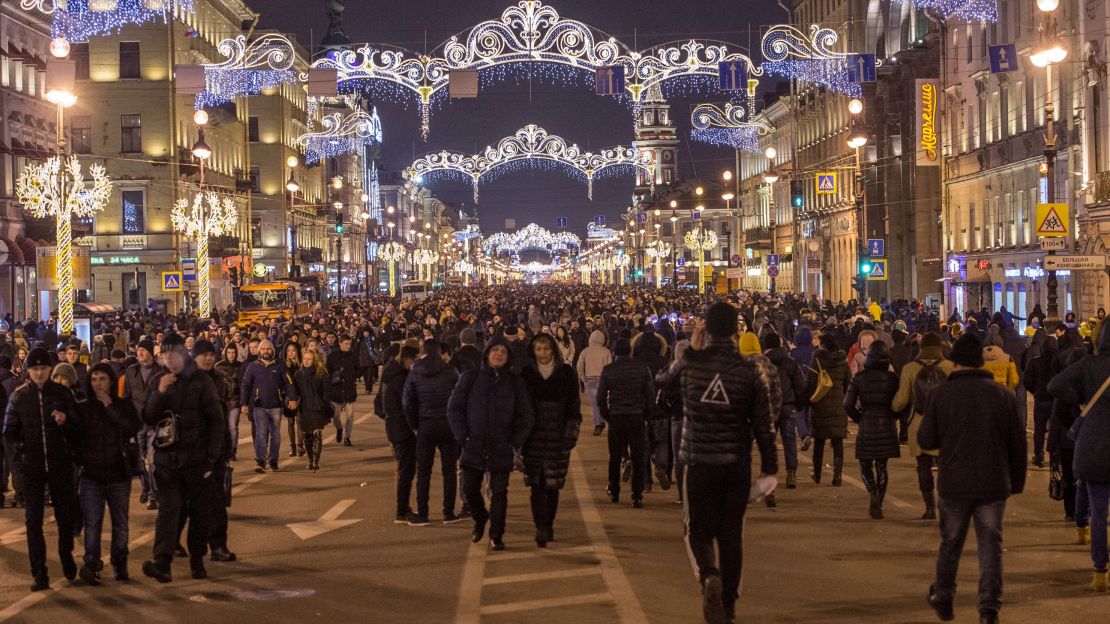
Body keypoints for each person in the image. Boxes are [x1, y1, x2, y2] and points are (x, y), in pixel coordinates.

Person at [680, 303, 777, 624]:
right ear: (737, 331)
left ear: (704, 329)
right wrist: (770, 467)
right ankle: (729, 603)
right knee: (731, 535)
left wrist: (693, 353)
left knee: (699, 531)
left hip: (700, 462)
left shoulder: (693, 367)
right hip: (735, 463)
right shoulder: (749, 370)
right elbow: (764, 424)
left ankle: (709, 576)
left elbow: (666, 386)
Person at [919, 333, 1026, 624]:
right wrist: (1015, 482)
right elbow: (1017, 444)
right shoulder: (1001, 395)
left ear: (954, 362)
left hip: (954, 482)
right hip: (993, 482)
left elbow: (926, 438)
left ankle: (943, 596)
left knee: (950, 543)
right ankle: (988, 609)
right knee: (991, 547)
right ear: (980, 362)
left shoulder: (941, 394)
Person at [141, 334, 227, 583]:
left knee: (199, 513)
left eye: (173, 354)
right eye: (164, 355)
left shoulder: (200, 381)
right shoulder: (159, 380)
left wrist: (212, 458)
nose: (169, 358)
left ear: (182, 354)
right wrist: (159, 392)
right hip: (168, 462)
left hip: (197, 460)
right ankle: (162, 563)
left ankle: (197, 559)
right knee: (168, 512)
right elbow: (147, 417)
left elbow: (215, 420)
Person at [3, 347, 81, 591]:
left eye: (43, 368)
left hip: (60, 465)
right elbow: (9, 432)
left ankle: (66, 555)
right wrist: (21, 460)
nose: (39, 373)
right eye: (35, 369)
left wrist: (66, 421)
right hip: (32, 468)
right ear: (29, 370)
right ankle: (39, 572)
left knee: (65, 518)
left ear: (50, 369)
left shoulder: (61, 394)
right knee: (33, 521)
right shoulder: (19, 397)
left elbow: (78, 426)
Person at [447, 339, 534, 550]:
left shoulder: (514, 382)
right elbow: (454, 408)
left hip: (501, 446)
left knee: (499, 492)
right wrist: (463, 436)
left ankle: (497, 534)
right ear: (486, 353)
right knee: (470, 489)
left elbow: (527, 415)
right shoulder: (471, 377)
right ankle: (480, 518)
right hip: (473, 444)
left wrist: (515, 442)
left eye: (503, 351)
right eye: (495, 350)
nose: (498, 354)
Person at [1048, 321, 1110, 592]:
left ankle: (1100, 572)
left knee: (1098, 511)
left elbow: (1055, 385)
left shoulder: (1088, 365)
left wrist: (1081, 400)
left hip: (1093, 446)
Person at [73, 364, 141, 584]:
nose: (98, 384)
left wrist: (111, 407)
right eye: (94, 379)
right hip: (92, 476)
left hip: (118, 475)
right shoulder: (83, 409)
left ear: (111, 382)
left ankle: (119, 564)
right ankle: (91, 564)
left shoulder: (123, 405)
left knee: (120, 523)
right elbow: (74, 439)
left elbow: (132, 428)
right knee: (92, 524)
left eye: (103, 379)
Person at [520, 334, 581, 547]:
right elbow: (520, 407)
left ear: (553, 350)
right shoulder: (527, 374)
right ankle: (541, 526)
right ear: (533, 351)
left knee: (552, 485)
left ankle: (549, 523)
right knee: (536, 484)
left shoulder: (566, 373)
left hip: (558, 436)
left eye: (546, 349)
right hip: (533, 438)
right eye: (539, 349)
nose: (543, 353)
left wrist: (571, 432)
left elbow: (574, 407)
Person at [892, 332, 954, 520]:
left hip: (919, 423)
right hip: (945, 426)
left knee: (923, 466)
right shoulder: (950, 367)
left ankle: (929, 507)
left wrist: (891, 407)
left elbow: (901, 401)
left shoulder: (910, 368)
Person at [403, 339, 461, 526]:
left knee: (424, 471)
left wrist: (414, 424)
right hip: (447, 424)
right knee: (449, 470)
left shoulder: (415, 370)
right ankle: (449, 512)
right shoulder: (450, 370)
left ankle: (423, 513)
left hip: (425, 424)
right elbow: (459, 397)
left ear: (423, 350)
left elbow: (408, 401)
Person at [843, 342, 900, 519]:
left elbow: (847, 404)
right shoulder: (892, 379)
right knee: (882, 466)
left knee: (865, 464)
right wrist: (894, 417)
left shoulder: (859, 378)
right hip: (887, 425)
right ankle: (879, 502)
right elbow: (903, 402)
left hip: (866, 423)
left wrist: (859, 419)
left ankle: (873, 493)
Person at [191, 340, 236, 564]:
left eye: (211, 354)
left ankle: (218, 546)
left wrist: (225, 449)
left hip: (215, 451)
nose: (208, 358)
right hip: (191, 452)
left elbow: (222, 416)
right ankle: (180, 547)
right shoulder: (186, 380)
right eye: (203, 355)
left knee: (217, 503)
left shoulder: (218, 379)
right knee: (187, 505)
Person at [597, 338, 655, 508]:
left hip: (616, 417)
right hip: (636, 416)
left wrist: (606, 415)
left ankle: (614, 491)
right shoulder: (642, 368)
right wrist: (646, 414)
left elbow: (600, 397)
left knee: (614, 457)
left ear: (614, 352)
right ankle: (637, 495)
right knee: (638, 457)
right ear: (630, 351)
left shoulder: (609, 370)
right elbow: (650, 395)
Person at [122, 338, 163, 509]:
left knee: (153, 460)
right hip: (137, 421)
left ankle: (154, 494)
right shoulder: (132, 371)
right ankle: (146, 487)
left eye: (143, 350)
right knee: (140, 459)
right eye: (138, 350)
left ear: (150, 352)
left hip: (154, 421)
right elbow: (126, 396)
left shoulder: (160, 371)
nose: (140, 353)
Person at [380, 345, 419, 522]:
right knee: (406, 470)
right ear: (407, 360)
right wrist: (414, 426)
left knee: (405, 470)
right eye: (414, 360)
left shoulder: (391, 376)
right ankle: (402, 511)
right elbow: (407, 405)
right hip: (402, 428)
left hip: (394, 426)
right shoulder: (400, 379)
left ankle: (403, 508)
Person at [806, 334, 850, 486]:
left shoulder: (817, 360)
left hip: (820, 404)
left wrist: (808, 401)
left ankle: (817, 475)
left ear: (823, 345)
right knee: (837, 442)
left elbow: (810, 383)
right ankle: (837, 476)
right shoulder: (842, 362)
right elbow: (848, 383)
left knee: (819, 442)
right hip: (839, 404)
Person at [240, 339, 287, 473]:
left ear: (272, 350)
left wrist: (293, 398)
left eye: (268, 349)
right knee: (261, 434)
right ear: (259, 351)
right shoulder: (253, 366)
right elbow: (246, 385)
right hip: (259, 405)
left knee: (275, 435)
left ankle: (273, 460)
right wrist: (244, 403)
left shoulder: (280, 365)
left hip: (276, 405)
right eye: (263, 349)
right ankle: (260, 461)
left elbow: (288, 382)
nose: (265, 351)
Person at [291, 348, 331, 472]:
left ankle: (315, 461)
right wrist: (291, 400)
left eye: (309, 359)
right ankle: (309, 459)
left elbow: (326, 391)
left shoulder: (321, 373)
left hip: (318, 407)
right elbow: (294, 391)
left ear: (314, 360)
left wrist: (325, 403)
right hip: (304, 408)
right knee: (307, 435)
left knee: (317, 434)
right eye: (305, 359)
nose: (307, 361)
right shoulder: (298, 374)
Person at [576, 330, 612, 436]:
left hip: (590, 379)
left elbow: (579, 366)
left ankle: (598, 424)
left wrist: (583, 378)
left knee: (595, 404)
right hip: (603, 379)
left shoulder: (585, 351)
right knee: (603, 402)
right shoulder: (606, 351)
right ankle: (602, 422)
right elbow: (609, 367)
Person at [326, 335, 360, 446]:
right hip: (336, 390)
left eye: (350, 344)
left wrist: (352, 374)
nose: (348, 346)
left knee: (350, 416)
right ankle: (339, 429)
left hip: (349, 389)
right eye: (346, 344)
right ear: (340, 343)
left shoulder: (353, 355)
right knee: (336, 416)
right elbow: (328, 372)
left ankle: (347, 437)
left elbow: (359, 370)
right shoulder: (332, 356)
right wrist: (335, 376)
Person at [214, 345, 243, 461]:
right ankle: (223, 450)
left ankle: (232, 451)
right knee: (223, 427)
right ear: (226, 353)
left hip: (235, 400)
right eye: (229, 352)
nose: (231, 355)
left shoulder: (240, 366)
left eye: (233, 352)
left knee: (233, 427)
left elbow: (243, 384)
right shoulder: (219, 366)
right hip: (221, 401)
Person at [282, 342, 304, 456]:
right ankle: (293, 447)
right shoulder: (284, 366)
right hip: (288, 397)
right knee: (290, 422)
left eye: (293, 350)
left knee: (299, 422)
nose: (291, 352)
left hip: (300, 396)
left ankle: (300, 446)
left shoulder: (301, 365)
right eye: (289, 350)